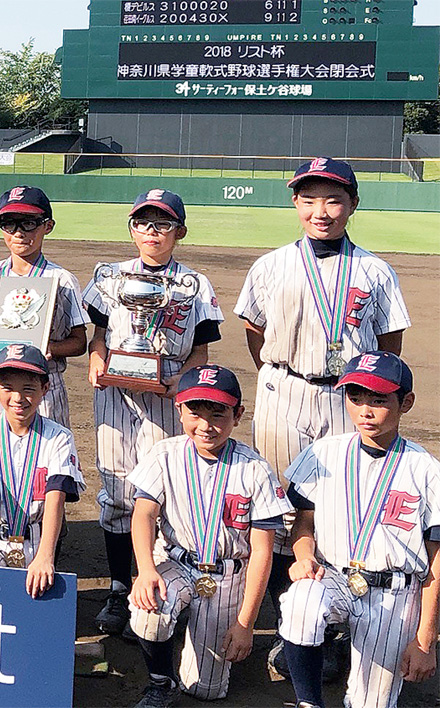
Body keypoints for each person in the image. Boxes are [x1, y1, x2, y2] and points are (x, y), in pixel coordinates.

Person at [233, 157, 410, 678]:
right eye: (309, 199)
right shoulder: (270, 265)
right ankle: (292, 623)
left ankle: (335, 627)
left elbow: (388, 347)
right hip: (284, 390)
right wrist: (286, 373)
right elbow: (253, 332)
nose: (321, 211)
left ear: (352, 205)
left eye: (333, 199)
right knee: (279, 507)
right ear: (296, 204)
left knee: (341, 511)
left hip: (348, 401)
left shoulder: (375, 270)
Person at [82, 188, 225, 635]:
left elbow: (200, 348)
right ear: (132, 229)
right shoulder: (110, 275)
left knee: (165, 495)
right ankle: (121, 588)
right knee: (117, 493)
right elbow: (100, 334)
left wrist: (183, 385)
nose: (152, 231)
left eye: (162, 224)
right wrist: (96, 356)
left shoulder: (195, 284)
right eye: (143, 222)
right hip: (116, 398)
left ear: (179, 232)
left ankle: (162, 586)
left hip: (169, 401)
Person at [278, 352, 439, 708]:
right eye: (355, 397)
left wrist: (426, 639)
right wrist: (303, 557)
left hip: (394, 591)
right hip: (335, 577)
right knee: (301, 601)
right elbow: (303, 522)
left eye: (378, 400)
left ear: (406, 402)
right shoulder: (324, 452)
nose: (365, 410)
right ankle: (309, 702)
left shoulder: (426, 469)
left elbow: (436, 561)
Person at [127, 365, 292, 707]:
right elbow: (143, 513)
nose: (206, 425)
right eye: (195, 412)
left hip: (228, 573)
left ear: (238, 414)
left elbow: (262, 551)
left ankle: (198, 635)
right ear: (180, 410)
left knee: (205, 689)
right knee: (149, 611)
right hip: (176, 560)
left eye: (218, 413)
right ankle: (160, 679)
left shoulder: (254, 468)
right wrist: (146, 569)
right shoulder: (165, 453)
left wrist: (246, 623)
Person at [0, 344, 84, 599]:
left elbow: (57, 498)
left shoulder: (59, 437)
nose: (18, 398)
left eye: (29, 389)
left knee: (35, 600)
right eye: (8, 388)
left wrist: (46, 556)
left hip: (35, 541)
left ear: (45, 388)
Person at [0, 185, 89, 428]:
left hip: (43, 384)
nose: (18, 232)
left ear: (48, 226)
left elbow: (79, 342)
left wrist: (48, 347)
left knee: (47, 456)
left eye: (28, 222)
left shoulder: (62, 280)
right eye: (9, 223)